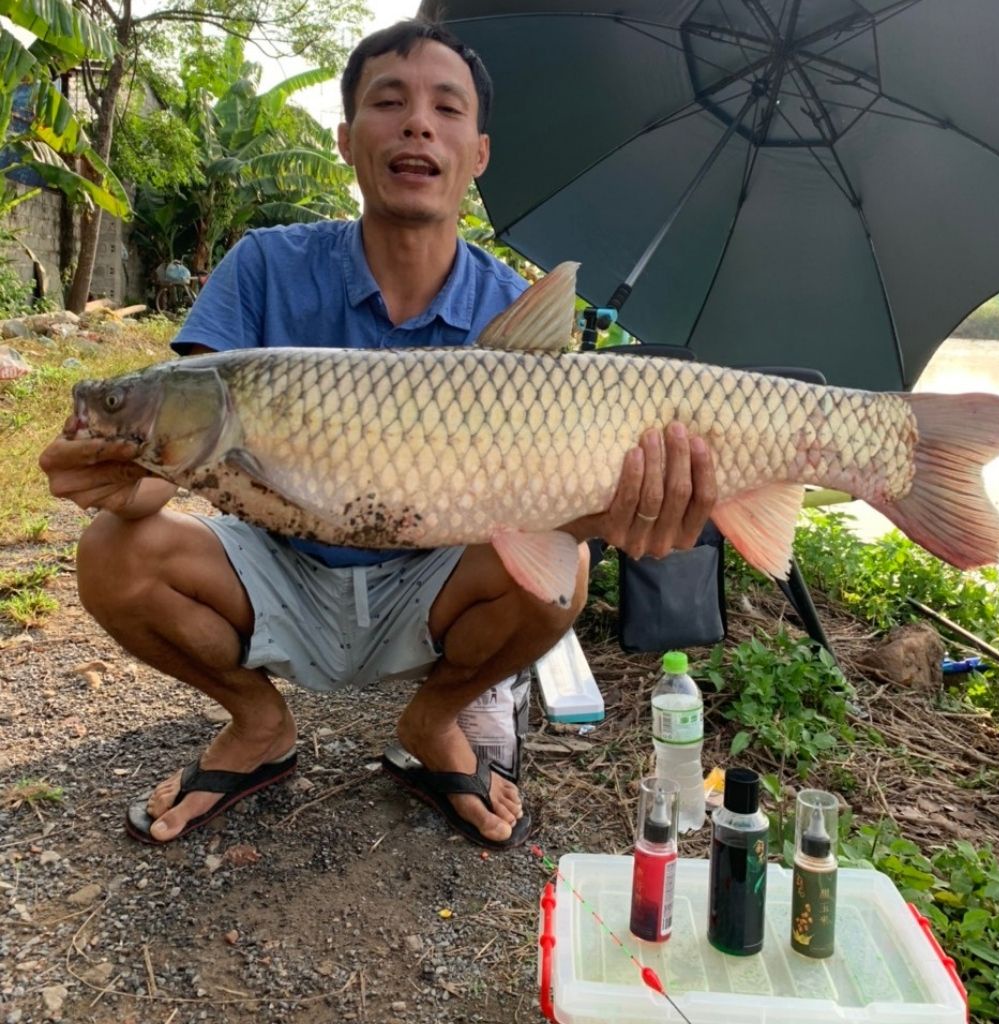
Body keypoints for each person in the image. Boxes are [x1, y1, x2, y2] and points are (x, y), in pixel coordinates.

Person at [38, 19, 716, 851]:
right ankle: (258, 725)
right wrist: (115, 464)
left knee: (563, 572)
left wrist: (618, 511)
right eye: (388, 102)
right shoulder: (263, 266)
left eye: (446, 108)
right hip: (279, 569)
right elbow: (172, 465)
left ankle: (433, 724)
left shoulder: (511, 307)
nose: (417, 124)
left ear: (478, 154)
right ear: (346, 141)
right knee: (112, 551)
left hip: (430, 582)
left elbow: (550, 515)